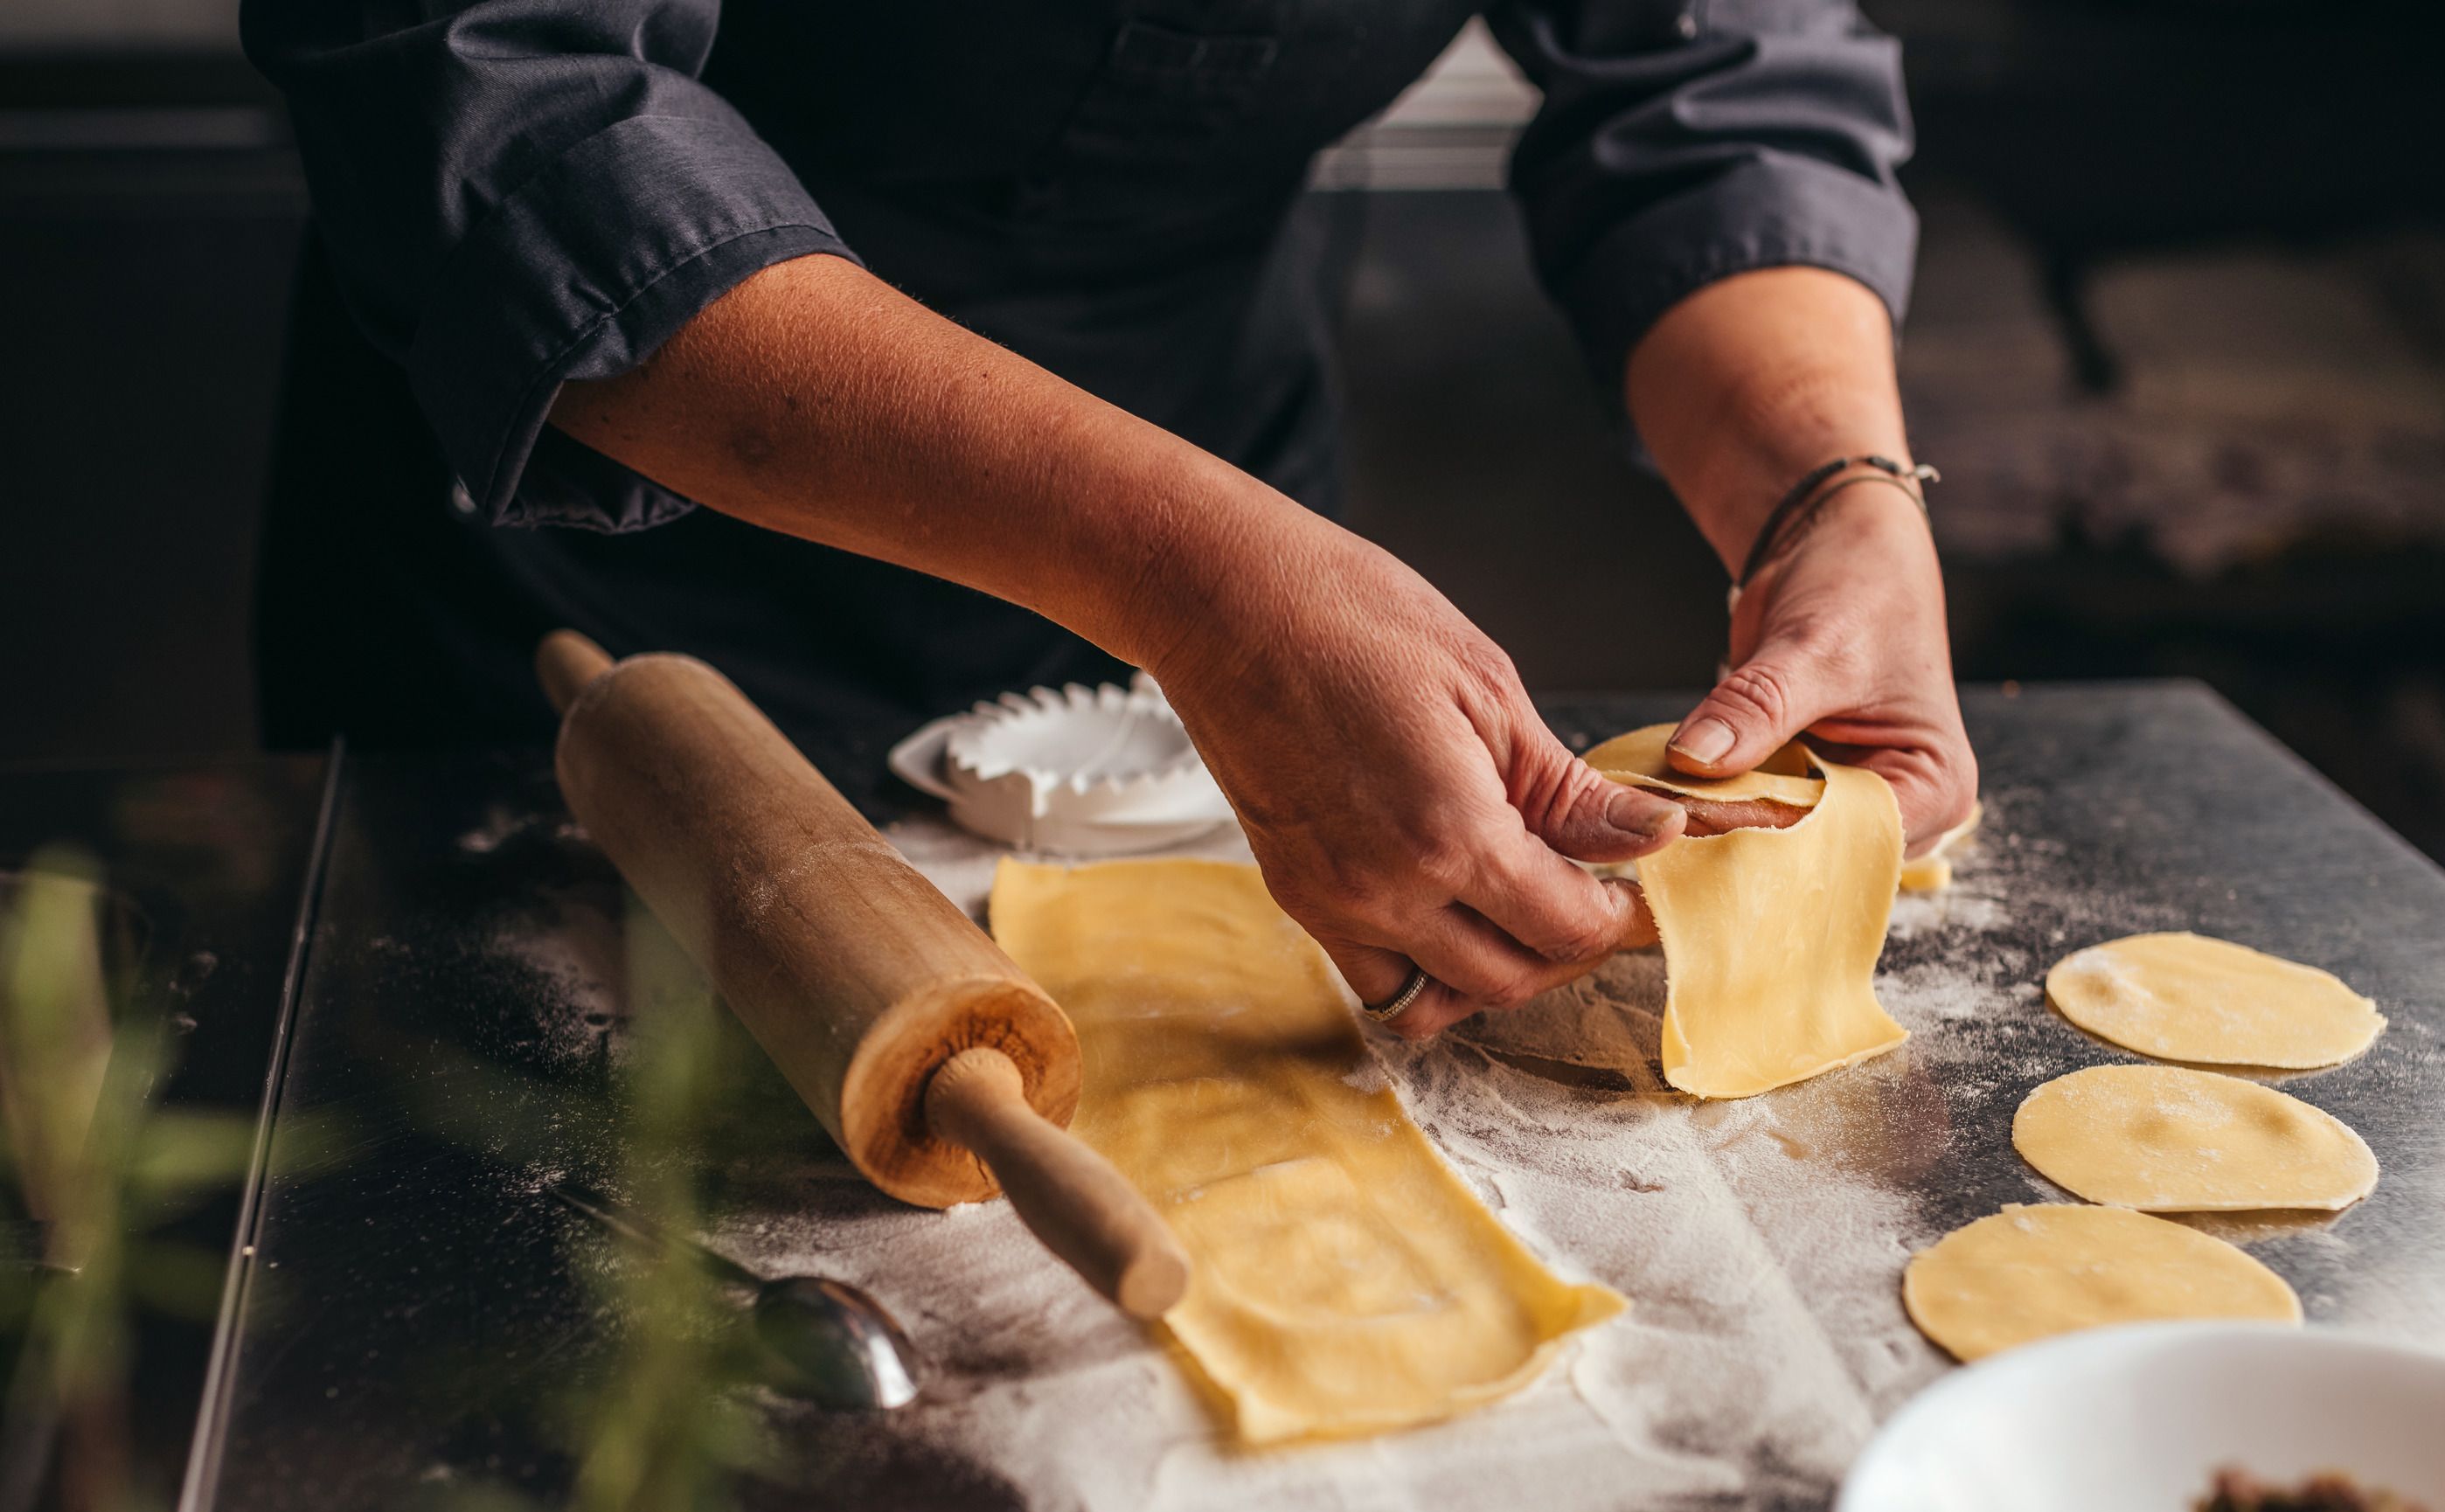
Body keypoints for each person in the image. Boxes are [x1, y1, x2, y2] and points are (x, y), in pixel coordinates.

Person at [242, 0, 1976, 1040]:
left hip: (1231, 517)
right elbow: (499, 89)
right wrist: (1189, 578)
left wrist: (1833, 483)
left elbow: (1719, 74)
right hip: (587, 557)